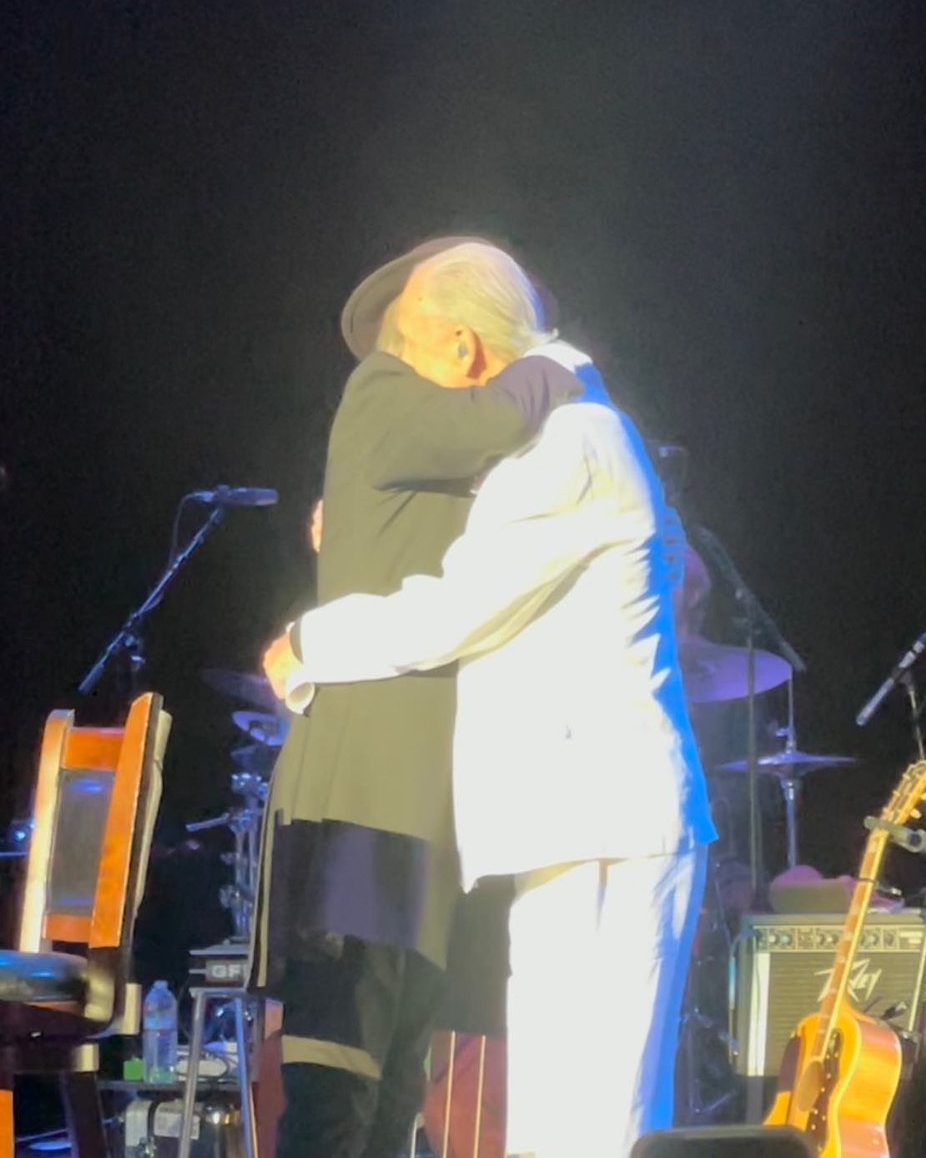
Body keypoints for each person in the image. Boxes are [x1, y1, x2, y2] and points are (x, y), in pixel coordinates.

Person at [265, 242, 717, 1158]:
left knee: (601, 1121)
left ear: (467, 347)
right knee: (555, 1119)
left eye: (415, 348)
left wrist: (309, 641)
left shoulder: (575, 440)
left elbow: (456, 612)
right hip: (566, 823)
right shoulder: (549, 447)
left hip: (606, 823)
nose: (406, 375)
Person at [251, 236, 583, 1158]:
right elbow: (496, 421)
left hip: (424, 811)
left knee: (398, 1083)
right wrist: (558, 359)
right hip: (365, 803)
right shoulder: (383, 392)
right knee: (340, 1076)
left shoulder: (448, 465)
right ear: (463, 345)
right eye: (494, 351)